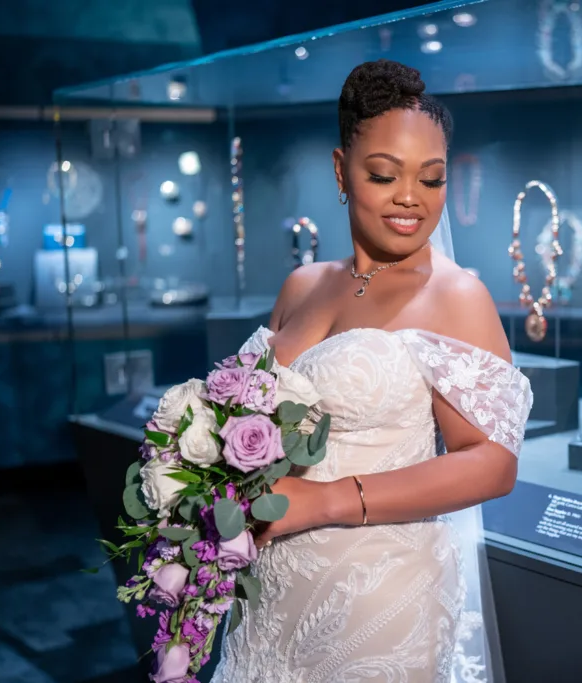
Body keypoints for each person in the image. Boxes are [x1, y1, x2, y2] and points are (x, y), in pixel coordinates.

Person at [210, 60, 532, 682]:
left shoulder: (456, 295)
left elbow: (493, 462)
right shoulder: (302, 285)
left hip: (377, 597)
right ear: (340, 170)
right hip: (266, 593)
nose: (410, 197)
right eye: (384, 175)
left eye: (431, 180)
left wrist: (323, 501)